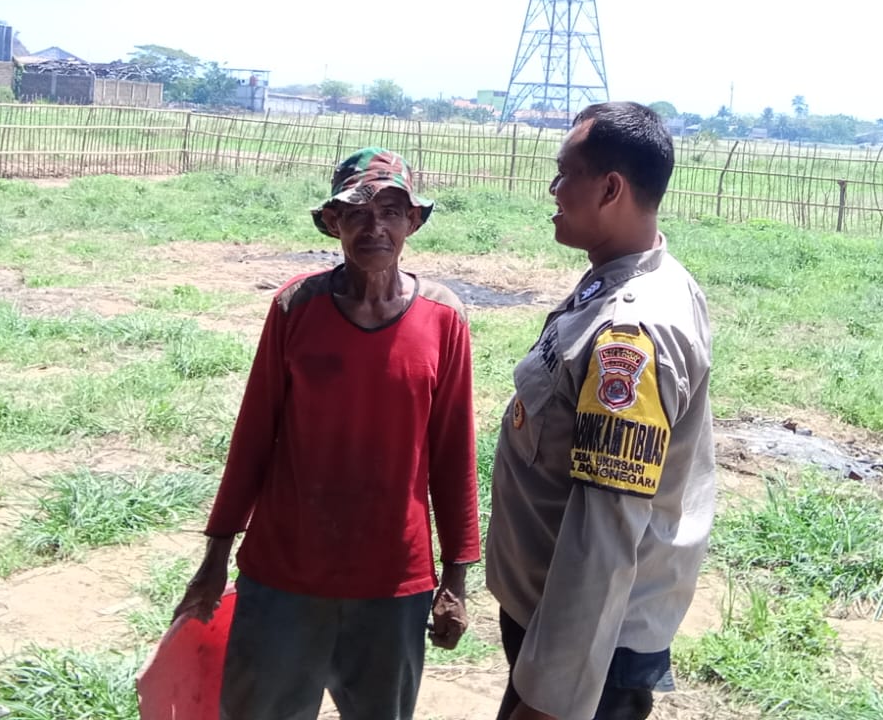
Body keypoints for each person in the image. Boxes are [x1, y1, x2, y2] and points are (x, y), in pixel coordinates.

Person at [175, 147, 479, 720]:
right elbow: (253, 437)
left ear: (413, 222)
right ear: (333, 222)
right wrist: (215, 557)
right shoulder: (297, 305)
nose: (374, 227)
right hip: (285, 571)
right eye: (357, 213)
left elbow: (453, 453)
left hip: (394, 578)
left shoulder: (443, 318)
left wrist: (456, 579)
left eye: (391, 212)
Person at [487, 102, 715, 720]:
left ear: (611, 188)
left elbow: (605, 531)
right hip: (557, 623)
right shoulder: (626, 277)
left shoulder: (631, 329)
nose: (554, 188)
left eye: (566, 173)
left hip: (586, 649)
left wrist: (551, 700)